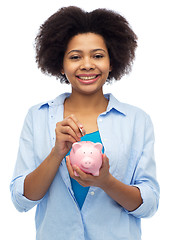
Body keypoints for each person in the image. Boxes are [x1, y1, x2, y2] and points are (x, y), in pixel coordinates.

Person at [10, 6, 160, 240]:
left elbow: (149, 204)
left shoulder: (136, 121)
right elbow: (21, 201)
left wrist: (106, 182)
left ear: (112, 62)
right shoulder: (37, 117)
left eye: (98, 55)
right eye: (75, 56)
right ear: (61, 64)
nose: (87, 64)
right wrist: (56, 154)